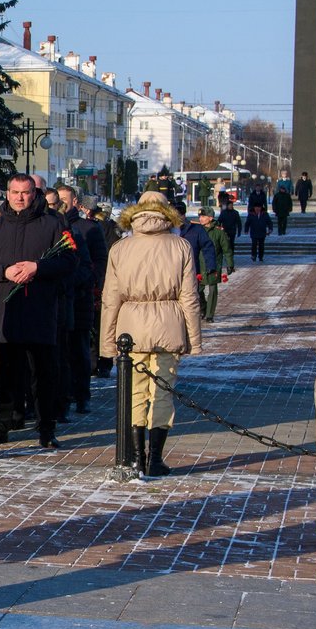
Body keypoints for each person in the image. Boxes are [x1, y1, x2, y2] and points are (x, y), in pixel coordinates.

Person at [99, 191, 202, 476]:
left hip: (130, 326)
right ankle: (155, 458)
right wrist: (193, 338)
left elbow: (111, 299)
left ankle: (136, 458)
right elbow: (189, 297)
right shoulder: (180, 246)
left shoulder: (120, 248)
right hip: (169, 323)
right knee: (163, 392)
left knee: (134, 393)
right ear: (166, 211)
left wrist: (107, 343)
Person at [0, 173, 78, 449]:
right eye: (15, 192)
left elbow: (69, 261)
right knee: (5, 373)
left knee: (44, 373)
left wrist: (38, 268)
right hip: (6, 311)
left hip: (40, 310)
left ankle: (46, 427)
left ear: (34, 194)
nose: (20, 198)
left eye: (25, 192)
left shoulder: (51, 224)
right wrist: (4, 271)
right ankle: (1, 424)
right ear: (7, 194)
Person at [54, 184, 105, 412]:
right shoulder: (49, 227)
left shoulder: (87, 228)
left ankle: (81, 394)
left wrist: (91, 285)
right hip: (58, 300)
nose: (60, 206)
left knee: (79, 349)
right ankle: (62, 395)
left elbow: (98, 262)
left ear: (74, 202)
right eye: (57, 202)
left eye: (64, 201)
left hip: (80, 297)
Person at [177, 202, 218, 320]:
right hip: (171, 272)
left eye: (178, 214)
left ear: (183, 215)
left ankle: (200, 310)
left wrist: (211, 266)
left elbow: (208, 247)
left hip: (191, 271)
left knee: (193, 296)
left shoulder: (195, 229)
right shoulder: (166, 231)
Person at [194, 208, 234, 322]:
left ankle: (209, 315)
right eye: (200, 216)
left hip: (214, 265)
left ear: (210, 218)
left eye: (203, 216)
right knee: (198, 290)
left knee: (212, 290)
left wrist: (230, 264)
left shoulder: (219, 232)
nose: (200, 219)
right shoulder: (198, 230)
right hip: (199, 265)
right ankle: (203, 308)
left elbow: (227, 249)